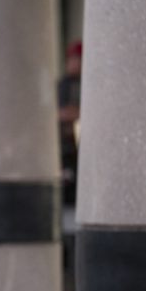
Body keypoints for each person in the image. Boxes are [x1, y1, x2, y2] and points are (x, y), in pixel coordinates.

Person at [58, 41, 83, 205]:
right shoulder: (63, 84)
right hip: (64, 140)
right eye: (71, 59)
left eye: (77, 59)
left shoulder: (89, 84)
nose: (73, 63)